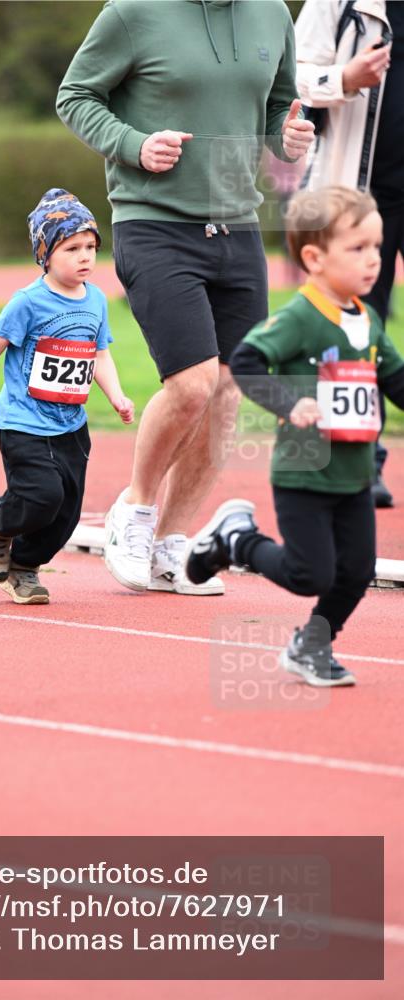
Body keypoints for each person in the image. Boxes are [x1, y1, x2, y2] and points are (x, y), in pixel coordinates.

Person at [57, 0, 315, 596]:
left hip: (239, 224)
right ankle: (135, 511)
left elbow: (280, 105)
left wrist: (289, 135)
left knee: (227, 390)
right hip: (154, 223)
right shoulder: (131, 13)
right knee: (193, 382)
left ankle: (172, 545)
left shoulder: (272, 13)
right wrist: (132, 144)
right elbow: (74, 96)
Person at [184, 187, 404, 687]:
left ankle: (312, 647)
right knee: (312, 576)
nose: (374, 260)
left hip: (354, 473)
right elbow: (245, 360)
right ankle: (235, 540)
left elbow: (394, 379)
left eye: (377, 247)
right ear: (314, 257)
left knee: (356, 571)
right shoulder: (300, 318)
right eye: (358, 249)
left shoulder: (367, 319)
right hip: (305, 470)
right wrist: (290, 402)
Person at [0, 188, 134, 605]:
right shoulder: (27, 302)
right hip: (24, 423)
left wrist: (117, 396)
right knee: (41, 496)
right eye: (72, 248)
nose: (85, 256)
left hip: (72, 427)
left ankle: (23, 567)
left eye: (91, 247)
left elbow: (99, 352)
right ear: (45, 253)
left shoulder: (98, 300)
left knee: (64, 515)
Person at [295, 0, 401, 507]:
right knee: (354, 326)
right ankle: (359, 463)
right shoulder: (338, 2)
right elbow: (289, 80)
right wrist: (345, 77)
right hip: (354, 197)